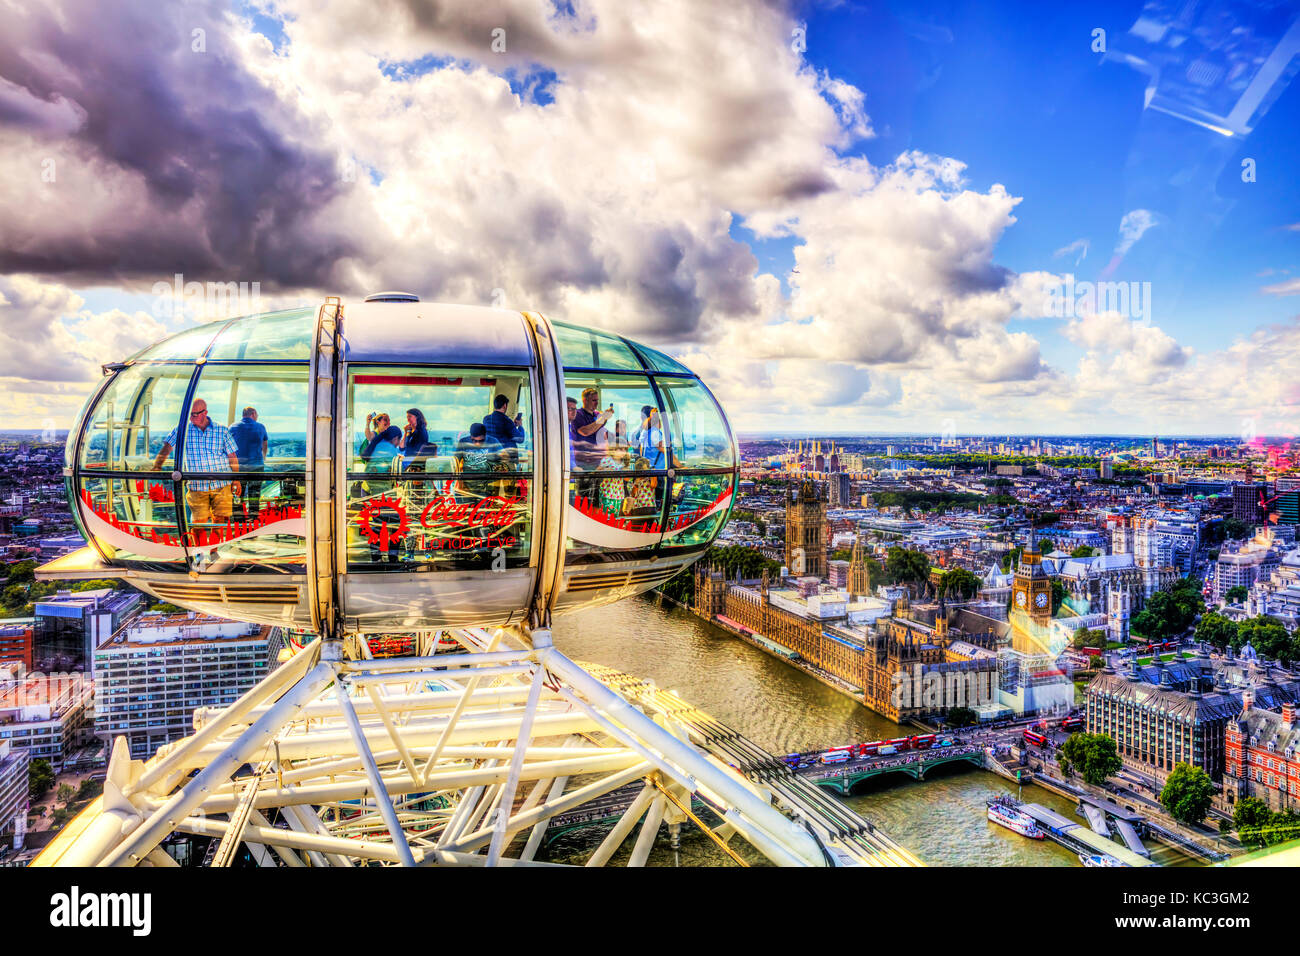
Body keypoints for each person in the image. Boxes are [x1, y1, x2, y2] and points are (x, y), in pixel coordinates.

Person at [151, 398, 240, 529]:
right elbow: (167, 447)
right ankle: (198, 548)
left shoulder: (222, 430)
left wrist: (236, 479)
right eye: (189, 415)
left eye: (195, 414)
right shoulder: (182, 429)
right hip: (197, 486)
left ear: (205, 413)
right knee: (198, 523)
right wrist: (157, 466)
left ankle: (213, 549)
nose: (191, 418)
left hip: (222, 484)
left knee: (220, 520)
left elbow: (232, 456)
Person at [228, 405, 268, 519]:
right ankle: (253, 520)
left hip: (238, 468)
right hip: (257, 466)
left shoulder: (232, 427)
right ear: (253, 414)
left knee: (237, 494)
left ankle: (239, 521)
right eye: (257, 415)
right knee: (254, 495)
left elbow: (227, 447)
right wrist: (263, 458)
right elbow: (264, 445)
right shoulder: (261, 427)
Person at [572, 388, 613, 470]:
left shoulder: (597, 414)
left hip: (599, 461)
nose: (597, 403)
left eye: (597, 400)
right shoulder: (578, 414)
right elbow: (585, 431)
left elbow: (602, 434)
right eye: (594, 400)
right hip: (584, 462)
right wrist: (603, 417)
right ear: (585, 400)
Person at [398, 408, 434, 473]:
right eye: (407, 417)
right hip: (407, 463)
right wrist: (406, 432)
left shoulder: (421, 432)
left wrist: (406, 459)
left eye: (410, 416)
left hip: (414, 466)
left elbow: (420, 452)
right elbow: (401, 448)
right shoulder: (411, 431)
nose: (408, 419)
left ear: (417, 417)